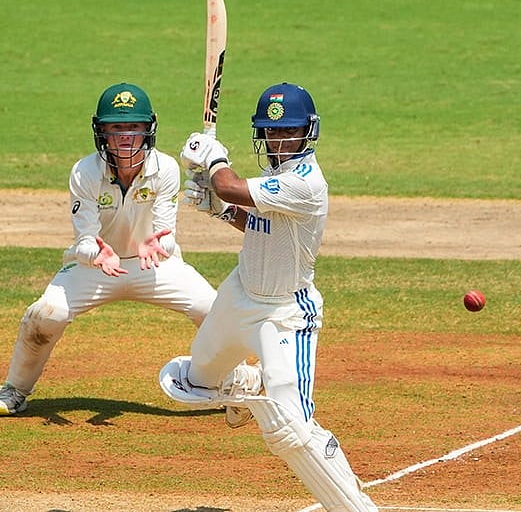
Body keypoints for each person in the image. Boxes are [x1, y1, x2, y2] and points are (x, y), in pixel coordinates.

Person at [159, 82, 377, 511]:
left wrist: (215, 161)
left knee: (290, 431)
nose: (279, 139)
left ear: (307, 132)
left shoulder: (307, 183)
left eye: (288, 131)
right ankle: (247, 381)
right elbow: (257, 223)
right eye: (271, 132)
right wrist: (221, 210)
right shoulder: (275, 176)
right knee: (193, 383)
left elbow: (231, 186)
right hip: (238, 295)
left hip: (284, 314)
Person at [0, 82, 218, 416]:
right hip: (95, 266)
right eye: (117, 127)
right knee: (47, 314)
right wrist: (96, 252)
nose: (125, 136)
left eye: (134, 127)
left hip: (152, 265)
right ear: (102, 131)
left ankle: (230, 383)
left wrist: (160, 245)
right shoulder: (85, 172)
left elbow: (166, 235)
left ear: (148, 130)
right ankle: (15, 389)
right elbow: (83, 240)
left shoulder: (165, 169)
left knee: (213, 309)